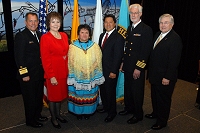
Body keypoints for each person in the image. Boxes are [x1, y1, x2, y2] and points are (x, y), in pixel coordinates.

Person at [145, 14, 182, 130]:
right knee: (155, 97)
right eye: (161, 23)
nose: (163, 25)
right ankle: (155, 113)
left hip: (165, 77)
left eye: (166, 23)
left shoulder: (175, 39)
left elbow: (174, 61)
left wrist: (167, 77)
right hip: (155, 75)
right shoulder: (158, 34)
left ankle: (162, 121)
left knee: (163, 100)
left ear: (172, 24)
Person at [118, 4, 153, 124]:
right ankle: (129, 108)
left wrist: (139, 68)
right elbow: (127, 48)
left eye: (136, 13)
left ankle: (138, 114)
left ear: (140, 14)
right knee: (128, 89)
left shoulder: (146, 29)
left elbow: (145, 51)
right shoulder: (130, 28)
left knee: (137, 92)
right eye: (131, 13)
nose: (133, 15)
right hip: (128, 65)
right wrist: (123, 62)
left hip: (137, 67)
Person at [14, 12, 48, 128]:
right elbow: (19, 58)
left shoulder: (38, 34)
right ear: (25, 22)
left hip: (38, 74)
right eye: (30, 21)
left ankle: (37, 115)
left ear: (38, 22)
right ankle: (30, 120)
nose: (33, 23)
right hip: (28, 75)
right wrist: (24, 74)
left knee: (38, 97)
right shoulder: (21, 36)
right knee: (30, 99)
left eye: (35, 21)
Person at [68, 24, 105, 120]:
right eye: (82, 32)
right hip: (77, 76)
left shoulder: (95, 46)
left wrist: (91, 70)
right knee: (78, 94)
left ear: (89, 35)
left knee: (90, 94)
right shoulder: (72, 47)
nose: (84, 35)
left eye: (86, 33)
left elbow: (98, 60)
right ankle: (78, 113)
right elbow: (70, 61)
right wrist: (81, 70)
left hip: (91, 76)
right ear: (78, 34)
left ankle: (88, 112)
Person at [40, 12, 69, 129]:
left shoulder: (64, 35)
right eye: (53, 22)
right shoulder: (45, 38)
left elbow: (66, 52)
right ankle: (53, 118)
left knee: (60, 96)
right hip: (53, 73)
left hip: (63, 72)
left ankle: (58, 115)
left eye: (58, 21)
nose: (56, 24)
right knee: (53, 98)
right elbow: (45, 60)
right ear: (48, 23)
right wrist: (51, 76)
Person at [97, 14, 125, 122]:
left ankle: (112, 112)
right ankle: (105, 107)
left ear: (114, 24)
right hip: (101, 70)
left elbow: (118, 56)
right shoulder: (101, 35)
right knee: (103, 91)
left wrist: (114, 71)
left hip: (111, 71)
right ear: (104, 24)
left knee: (110, 92)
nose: (108, 24)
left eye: (110, 22)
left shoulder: (118, 37)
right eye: (106, 22)